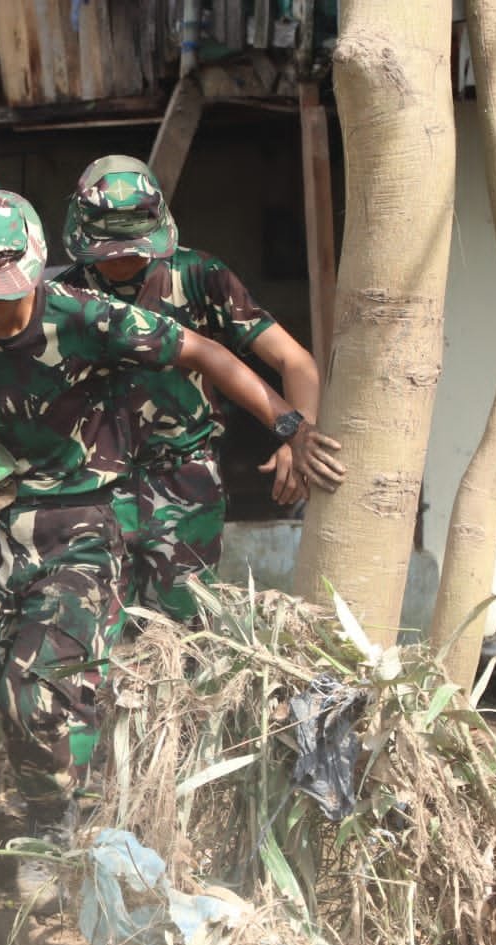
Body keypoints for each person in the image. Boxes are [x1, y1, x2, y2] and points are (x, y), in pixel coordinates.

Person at [0, 192, 345, 945]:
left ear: (28, 271)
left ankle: (50, 834)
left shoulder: (91, 317)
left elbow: (205, 353)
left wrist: (284, 423)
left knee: (42, 705)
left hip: (79, 529)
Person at [55, 155, 323, 622]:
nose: (123, 259)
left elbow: (293, 359)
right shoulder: (65, 298)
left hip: (183, 479)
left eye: (134, 247)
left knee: (183, 635)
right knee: (93, 631)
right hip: (93, 486)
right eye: (110, 248)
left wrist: (297, 435)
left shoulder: (198, 277)